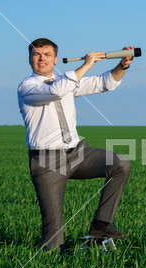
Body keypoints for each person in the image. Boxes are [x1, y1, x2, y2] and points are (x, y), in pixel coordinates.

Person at [17, 38, 134, 254]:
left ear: (54, 59)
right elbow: (56, 91)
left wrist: (123, 65)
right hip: (46, 161)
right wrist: (86, 65)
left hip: (78, 154)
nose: (41, 59)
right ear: (29, 59)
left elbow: (105, 82)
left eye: (47, 54)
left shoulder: (67, 82)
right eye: (36, 54)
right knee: (53, 243)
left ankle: (100, 227)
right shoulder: (27, 87)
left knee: (120, 165)